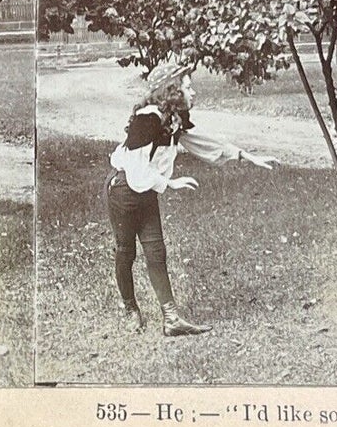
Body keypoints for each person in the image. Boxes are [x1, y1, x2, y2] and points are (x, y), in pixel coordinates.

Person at [107, 59, 277, 337]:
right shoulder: (147, 119)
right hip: (124, 191)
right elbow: (136, 169)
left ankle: (171, 319)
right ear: (172, 91)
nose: (193, 91)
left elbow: (204, 142)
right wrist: (170, 183)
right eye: (188, 86)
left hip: (147, 190)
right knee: (126, 252)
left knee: (156, 252)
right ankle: (130, 308)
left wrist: (247, 156)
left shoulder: (172, 120)